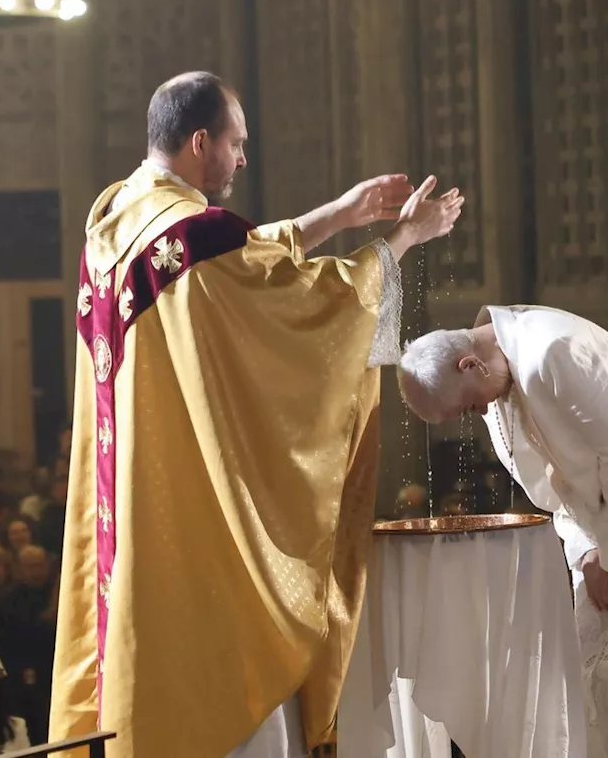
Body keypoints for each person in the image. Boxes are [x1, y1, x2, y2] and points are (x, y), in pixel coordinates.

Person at [49, 70, 462, 758]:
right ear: (200, 140)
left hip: (137, 501)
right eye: (237, 144)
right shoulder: (192, 236)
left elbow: (236, 258)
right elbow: (288, 297)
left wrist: (338, 214)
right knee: (235, 677)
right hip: (196, 517)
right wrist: (402, 240)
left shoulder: (119, 219)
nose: (244, 158)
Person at [397, 308, 608, 757]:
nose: (473, 413)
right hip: (605, 541)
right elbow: (554, 487)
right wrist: (586, 553)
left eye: (465, 406)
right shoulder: (497, 379)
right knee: (598, 699)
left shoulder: (553, 350)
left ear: (468, 365)